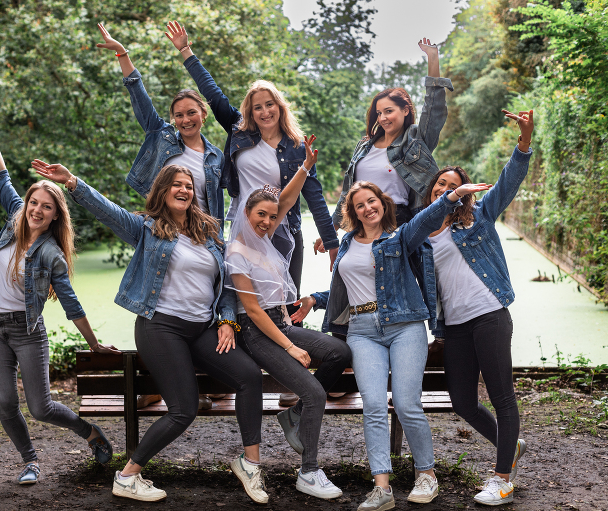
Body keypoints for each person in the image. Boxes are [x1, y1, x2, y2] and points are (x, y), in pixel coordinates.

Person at [32, 161, 267, 504]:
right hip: (161, 327)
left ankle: (250, 464)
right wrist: (72, 183)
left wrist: (227, 320)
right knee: (183, 409)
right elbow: (108, 211)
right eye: (176, 184)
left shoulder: (210, 232)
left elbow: (227, 286)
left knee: (249, 376)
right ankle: (127, 476)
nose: (184, 189)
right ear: (163, 190)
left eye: (188, 185)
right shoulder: (147, 228)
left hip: (202, 328)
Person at [295, 177, 491, 510]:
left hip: (404, 326)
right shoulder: (346, 243)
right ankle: (381, 488)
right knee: (373, 406)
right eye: (360, 205)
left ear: (383, 204)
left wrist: (452, 196)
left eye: (372, 201)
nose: (367, 208)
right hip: (361, 329)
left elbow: (426, 219)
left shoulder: (400, 237)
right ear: (354, 212)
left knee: (405, 402)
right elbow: (349, 289)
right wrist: (315, 298)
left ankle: (426, 475)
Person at [0, 113, 118, 486]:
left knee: (40, 408)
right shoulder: (14, 218)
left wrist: (93, 343)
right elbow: (0, 178)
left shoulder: (51, 254)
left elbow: (71, 303)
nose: (37, 210)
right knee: (6, 404)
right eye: (34, 202)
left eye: (46, 206)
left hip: (27, 332)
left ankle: (90, 432)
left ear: (56, 214)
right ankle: (30, 461)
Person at [96, 22, 227, 409]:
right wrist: (124, 56)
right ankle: (160, 381)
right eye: (178, 115)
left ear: (202, 113)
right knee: (155, 298)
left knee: (204, 303)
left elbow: (225, 197)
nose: (185, 120)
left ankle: (211, 378)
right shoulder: (162, 136)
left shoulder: (217, 155)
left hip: (202, 232)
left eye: (191, 113)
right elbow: (140, 100)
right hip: (167, 227)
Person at [224, 134, 352, 500]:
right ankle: (309, 472)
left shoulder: (267, 237)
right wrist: (291, 347)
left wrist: (306, 166)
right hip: (258, 332)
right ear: (246, 215)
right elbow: (250, 311)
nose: (266, 220)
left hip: (282, 322)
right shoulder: (237, 252)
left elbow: (289, 197)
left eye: (270, 215)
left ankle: (293, 416)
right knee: (313, 391)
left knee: (340, 353)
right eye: (259, 215)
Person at [165, 20, 340, 285]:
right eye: (258, 107)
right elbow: (211, 93)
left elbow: (314, 197)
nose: (265, 111)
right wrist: (186, 51)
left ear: (280, 107)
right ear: (250, 111)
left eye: (270, 104)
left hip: (282, 230)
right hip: (242, 230)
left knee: (285, 305)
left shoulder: (296, 147)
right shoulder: (239, 129)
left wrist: (331, 242)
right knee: (244, 301)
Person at [422, 109, 534, 506]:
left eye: (454, 185)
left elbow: (508, 181)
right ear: (432, 189)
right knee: (463, 402)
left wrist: (524, 141)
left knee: (502, 396)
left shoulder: (479, 218)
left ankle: (503, 477)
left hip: (489, 314)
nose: (445, 189)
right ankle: (510, 445)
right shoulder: (420, 233)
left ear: (465, 193)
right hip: (453, 326)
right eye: (440, 184)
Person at [314, 38, 453, 255]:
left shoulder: (415, 139)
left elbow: (433, 109)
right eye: (379, 113)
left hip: (396, 225)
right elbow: (347, 193)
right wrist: (331, 230)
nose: (383, 118)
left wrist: (432, 58)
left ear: (405, 110)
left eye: (389, 111)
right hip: (361, 222)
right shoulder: (364, 146)